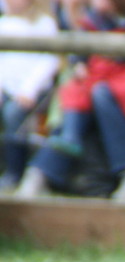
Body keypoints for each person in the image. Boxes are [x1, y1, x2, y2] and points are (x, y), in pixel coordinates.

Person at [15, 0, 125, 201]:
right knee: (80, 99)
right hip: (92, 95)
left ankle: (40, 172)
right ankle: (41, 172)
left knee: (98, 94)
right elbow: (78, 56)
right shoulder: (93, 21)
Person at [0, 0, 60, 192]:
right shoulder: (4, 23)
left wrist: (29, 90)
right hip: (7, 89)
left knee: (13, 114)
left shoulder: (44, 23)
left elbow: (49, 61)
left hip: (34, 89)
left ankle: (14, 172)